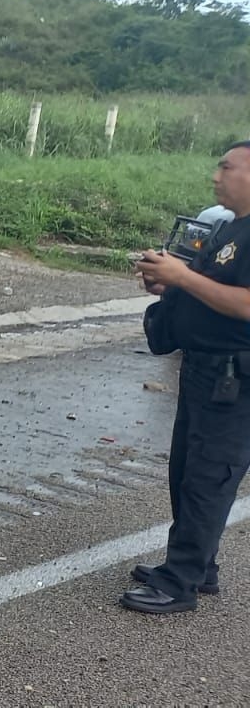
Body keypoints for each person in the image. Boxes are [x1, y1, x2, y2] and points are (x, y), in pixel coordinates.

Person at [126, 139, 250, 614]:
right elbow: (209, 286)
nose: (216, 176)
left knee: (208, 478)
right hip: (204, 371)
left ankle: (179, 581)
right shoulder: (229, 229)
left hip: (235, 381)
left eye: (226, 168)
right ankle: (199, 567)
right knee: (185, 472)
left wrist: (181, 278)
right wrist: (165, 280)